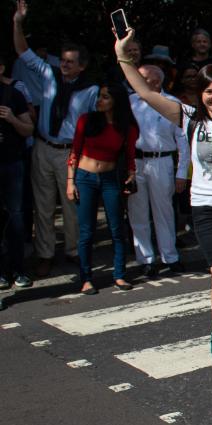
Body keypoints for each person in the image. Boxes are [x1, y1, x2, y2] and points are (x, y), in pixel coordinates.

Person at [116, 11, 212, 364]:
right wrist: (122, 56)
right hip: (210, 209)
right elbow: (142, 89)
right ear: (200, 94)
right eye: (209, 92)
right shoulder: (187, 117)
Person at [13, 0, 99, 278]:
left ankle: (73, 250)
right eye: (63, 60)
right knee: (43, 203)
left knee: (72, 203)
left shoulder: (92, 90)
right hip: (43, 146)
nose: (64, 65)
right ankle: (45, 253)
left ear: (82, 66)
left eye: (70, 62)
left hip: (69, 152)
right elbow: (22, 51)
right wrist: (18, 23)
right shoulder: (49, 75)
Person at [66, 82, 138, 294]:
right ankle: (86, 278)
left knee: (117, 228)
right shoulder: (86, 120)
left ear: (117, 100)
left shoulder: (127, 127)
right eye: (99, 96)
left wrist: (131, 176)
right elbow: (74, 151)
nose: (100, 100)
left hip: (110, 178)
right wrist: (70, 181)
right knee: (87, 231)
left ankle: (119, 275)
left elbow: (130, 156)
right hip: (84, 177)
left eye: (105, 97)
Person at [128, 65, 188, 278]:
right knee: (138, 212)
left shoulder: (172, 103)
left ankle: (170, 257)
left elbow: (183, 139)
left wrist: (182, 172)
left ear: (156, 81)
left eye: (143, 78)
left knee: (164, 211)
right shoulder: (131, 101)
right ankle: (145, 259)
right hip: (136, 161)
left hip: (162, 161)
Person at [0, 56, 34, 290]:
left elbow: (29, 128)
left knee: (15, 216)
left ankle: (19, 269)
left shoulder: (12, 94)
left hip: (12, 163)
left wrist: (12, 119)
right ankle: (2, 274)